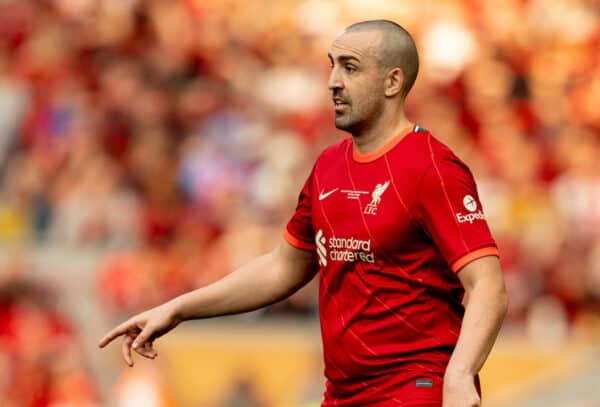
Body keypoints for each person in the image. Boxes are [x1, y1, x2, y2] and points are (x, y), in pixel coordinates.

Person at [99, 20, 507, 407]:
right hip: (341, 394)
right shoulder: (328, 165)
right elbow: (283, 268)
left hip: (415, 388)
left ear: (393, 81)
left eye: (350, 68)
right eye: (332, 67)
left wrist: (460, 373)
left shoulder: (431, 166)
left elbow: (487, 284)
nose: (333, 82)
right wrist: (177, 309)